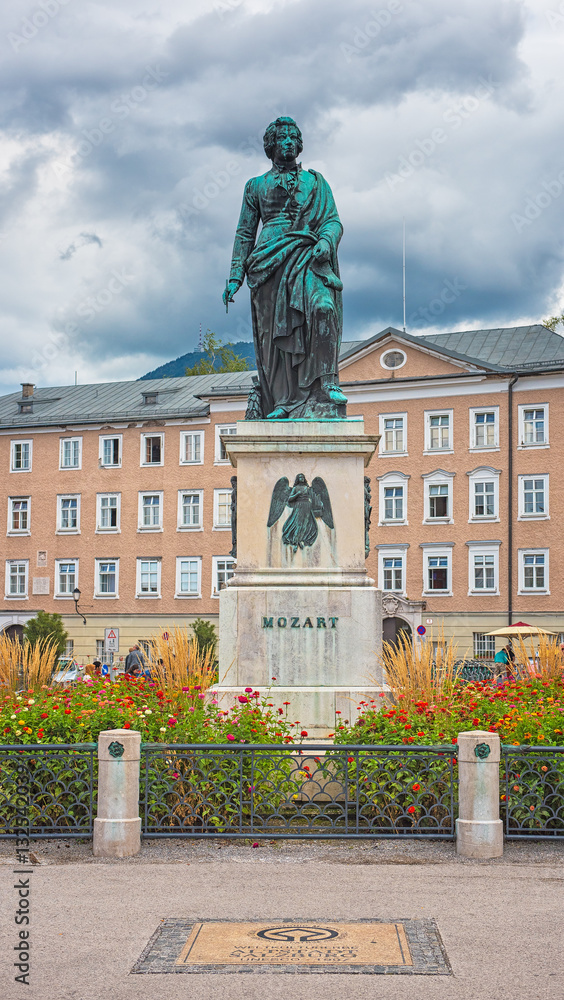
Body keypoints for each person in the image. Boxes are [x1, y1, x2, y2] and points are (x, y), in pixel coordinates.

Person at [223, 116, 347, 419]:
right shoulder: (255, 186)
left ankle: (326, 384)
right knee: (276, 338)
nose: (289, 142)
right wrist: (235, 276)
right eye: (282, 138)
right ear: (271, 145)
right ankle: (284, 401)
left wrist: (327, 241)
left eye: (293, 137)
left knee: (322, 308)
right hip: (269, 263)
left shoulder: (317, 183)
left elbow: (332, 220)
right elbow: (244, 232)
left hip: (308, 255)